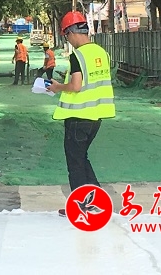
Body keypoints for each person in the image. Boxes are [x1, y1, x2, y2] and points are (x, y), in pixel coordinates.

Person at [46, 11, 115, 216]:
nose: (68, 40)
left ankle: (80, 208)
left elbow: (76, 86)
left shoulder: (78, 55)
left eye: (66, 36)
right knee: (82, 158)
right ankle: (98, 201)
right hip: (96, 117)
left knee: (75, 163)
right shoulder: (102, 53)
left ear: (71, 32)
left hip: (78, 117)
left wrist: (58, 87)